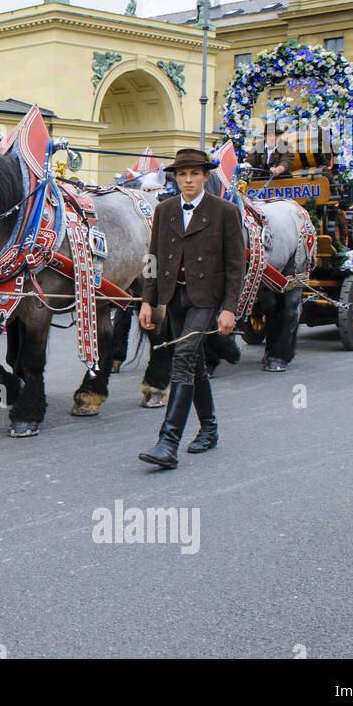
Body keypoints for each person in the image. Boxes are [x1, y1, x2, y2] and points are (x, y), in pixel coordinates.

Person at [137, 149, 245, 469]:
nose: (188, 180)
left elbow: (236, 266)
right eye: (182, 174)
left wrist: (229, 309)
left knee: (182, 357)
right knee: (194, 363)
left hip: (206, 298)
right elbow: (153, 258)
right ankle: (209, 429)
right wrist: (148, 300)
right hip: (174, 297)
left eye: (194, 174)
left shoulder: (225, 211)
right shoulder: (165, 210)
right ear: (174, 177)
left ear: (205, 176)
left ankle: (167, 442)